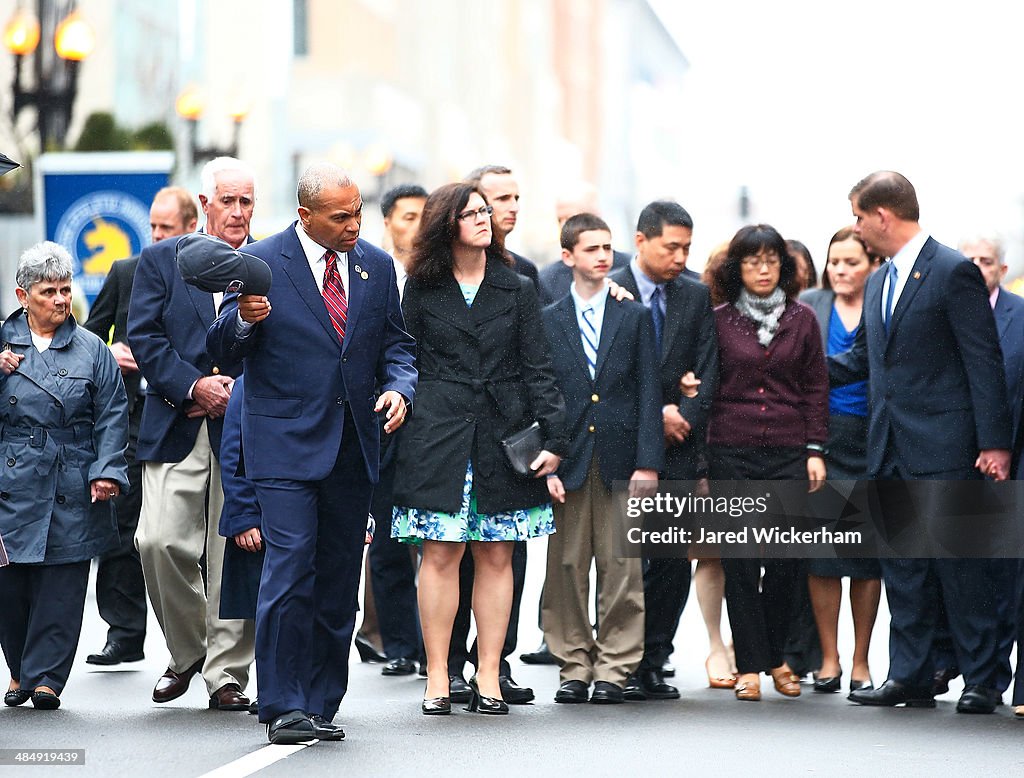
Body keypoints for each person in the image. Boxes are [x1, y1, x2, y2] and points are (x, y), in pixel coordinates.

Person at [208, 161, 416, 744]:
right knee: (290, 569)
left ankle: (322, 701)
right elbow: (222, 345)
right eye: (340, 216)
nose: (354, 225)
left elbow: (395, 345)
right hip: (283, 448)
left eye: (358, 213)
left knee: (337, 582)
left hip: (354, 447)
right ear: (306, 215)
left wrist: (399, 387)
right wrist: (246, 321)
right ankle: (281, 703)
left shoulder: (376, 267)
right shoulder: (261, 264)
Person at [831, 171, 1011, 714]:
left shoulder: (953, 271)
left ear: (883, 216)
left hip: (947, 446)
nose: (857, 229)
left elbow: (984, 361)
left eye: (860, 218)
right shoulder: (882, 280)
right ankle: (908, 674)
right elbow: (864, 360)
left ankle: (982, 680)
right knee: (903, 567)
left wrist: (995, 443)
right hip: (888, 445)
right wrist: (792, 372)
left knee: (961, 567)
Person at [391, 182, 564, 716]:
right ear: (448, 225)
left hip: (501, 433)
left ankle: (488, 673)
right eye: (471, 213)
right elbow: (405, 358)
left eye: (486, 211)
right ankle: (439, 675)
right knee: (439, 553)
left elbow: (538, 367)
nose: (485, 219)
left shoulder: (517, 288)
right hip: (436, 435)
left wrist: (554, 438)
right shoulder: (421, 288)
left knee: (497, 553)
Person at [127, 157, 255, 712]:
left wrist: (236, 390)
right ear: (205, 205)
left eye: (246, 200)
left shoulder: (268, 262)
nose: (238, 211)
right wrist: (194, 384)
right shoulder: (160, 260)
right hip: (177, 419)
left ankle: (227, 673)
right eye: (227, 200)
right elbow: (145, 337)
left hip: (246, 427)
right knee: (156, 541)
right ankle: (188, 652)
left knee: (236, 549)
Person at [0, 241, 128, 710]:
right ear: (22, 295)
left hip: (71, 477)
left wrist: (107, 470)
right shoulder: (2, 343)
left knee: (63, 581)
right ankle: (19, 668)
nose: (60, 300)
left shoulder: (92, 349)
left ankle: (47, 678)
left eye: (65, 290)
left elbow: (112, 414)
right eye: (48, 291)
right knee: (10, 586)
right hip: (9, 479)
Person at [541, 213, 661, 705]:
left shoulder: (632, 316)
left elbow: (649, 392)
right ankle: (573, 662)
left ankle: (615, 665)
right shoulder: (549, 319)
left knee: (621, 565)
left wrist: (648, 461)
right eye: (592, 249)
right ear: (568, 257)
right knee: (567, 564)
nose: (603, 257)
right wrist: (545, 460)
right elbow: (541, 392)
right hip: (567, 459)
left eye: (608, 248)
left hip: (621, 456)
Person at [709, 223, 828, 702]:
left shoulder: (802, 319)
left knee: (785, 561)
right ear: (736, 268)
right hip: (730, 450)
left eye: (772, 260)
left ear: (785, 266)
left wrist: (815, 450)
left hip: (788, 451)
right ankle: (751, 668)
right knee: (739, 561)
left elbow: (817, 388)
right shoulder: (717, 319)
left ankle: (774, 656)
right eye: (753, 261)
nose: (763, 269)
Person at [82, 186, 198, 667]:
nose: (154, 235)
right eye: (151, 226)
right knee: (122, 527)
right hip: (131, 419)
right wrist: (109, 353)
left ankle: (197, 639)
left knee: (185, 536)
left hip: (189, 416)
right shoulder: (127, 272)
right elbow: (86, 340)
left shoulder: (214, 277)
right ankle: (124, 632)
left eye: (165, 228)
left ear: (191, 227)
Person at [611, 200, 719, 701]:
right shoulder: (607, 286)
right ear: (641, 241)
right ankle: (616, 658)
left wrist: (685, 415)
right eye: (671, 246)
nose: (680, 256)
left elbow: (708, 368)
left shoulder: (695, 295)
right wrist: (659, 410)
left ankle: (654, 658)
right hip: (620, 442)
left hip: (678, 449)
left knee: (671, 557)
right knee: (619, 558)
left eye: (687, 248)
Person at [446, 165, 542, 704]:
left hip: (509, 442)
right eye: (497, 198)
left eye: (514, 197)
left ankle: (495, 662)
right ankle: (451, 664)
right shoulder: (436, 278)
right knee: (451, 553)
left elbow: (543, 350)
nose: (509, 207)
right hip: (455, 437)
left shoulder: (523, 273)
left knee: (507, 555)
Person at [800, 226, 883, 693]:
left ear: (872, 265)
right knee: (823, 556)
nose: (842, 271)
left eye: (852, 262)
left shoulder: (882, 303)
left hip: (871, 440)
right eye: (835, 262)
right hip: (821, 442)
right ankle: (828, 659)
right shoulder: (811, 304)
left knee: (867, 559)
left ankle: (861, 662)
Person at [370, 183, 429, 678]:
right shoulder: (371, 271)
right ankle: (400, 645)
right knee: (388, 542)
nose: (417, 225)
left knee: (440, 543)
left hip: (434, 427)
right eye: (408, 216)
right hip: (383, 421)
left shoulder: (440, 276)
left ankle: (444, 646)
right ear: (388, 220)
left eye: (425, 217)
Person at [537, 182, 633, 306]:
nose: (563, 226)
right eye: (559, 219)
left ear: (595, 217)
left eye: (572, 218)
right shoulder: (547, 279)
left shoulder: (629, 268)